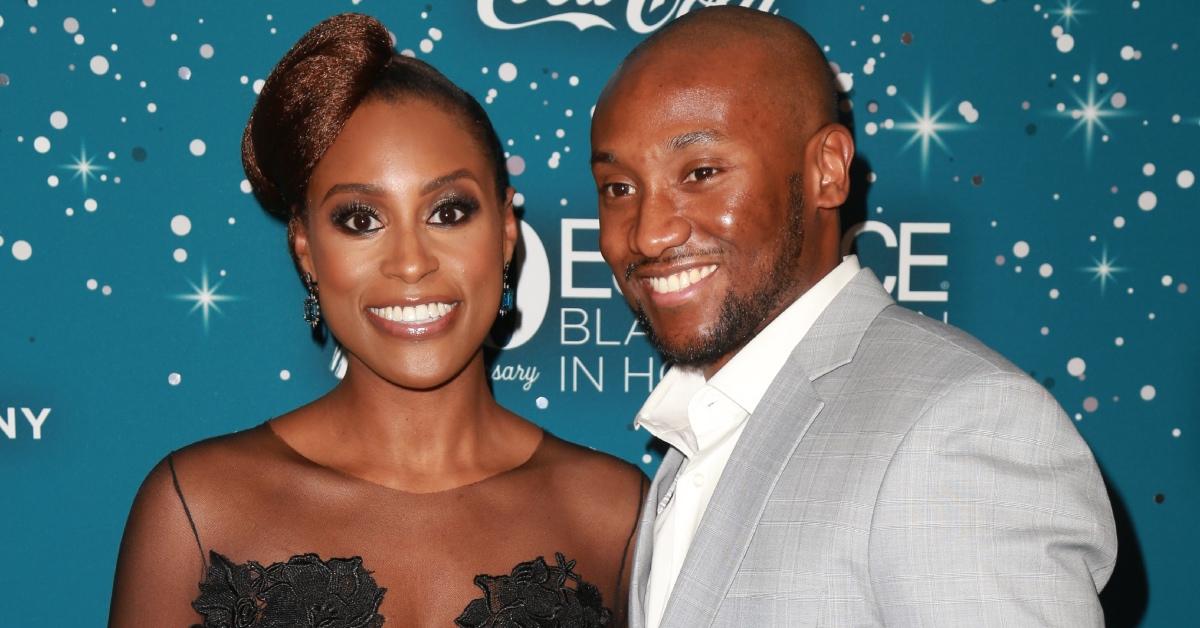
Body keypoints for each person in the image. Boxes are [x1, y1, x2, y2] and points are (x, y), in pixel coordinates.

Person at [110, 13, 644, 628]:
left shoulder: (614, 514)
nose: (411, 263)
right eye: (361, 219)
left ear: (504, 234)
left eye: (448, 211)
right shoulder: (198, 509)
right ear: (306, 248)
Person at [590, 7, 1117, 627]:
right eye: (619, 189)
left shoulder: (959, 425)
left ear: (827, 170)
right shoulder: (696, 433)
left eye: (702, 173)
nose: (649, 234)